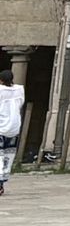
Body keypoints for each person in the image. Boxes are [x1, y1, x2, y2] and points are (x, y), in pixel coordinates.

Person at [0, 66, 24, 195]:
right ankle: (2, 181)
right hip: (14, 127)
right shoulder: (19, 90)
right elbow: (20, 104)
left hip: (2, 126)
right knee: (8, 156)